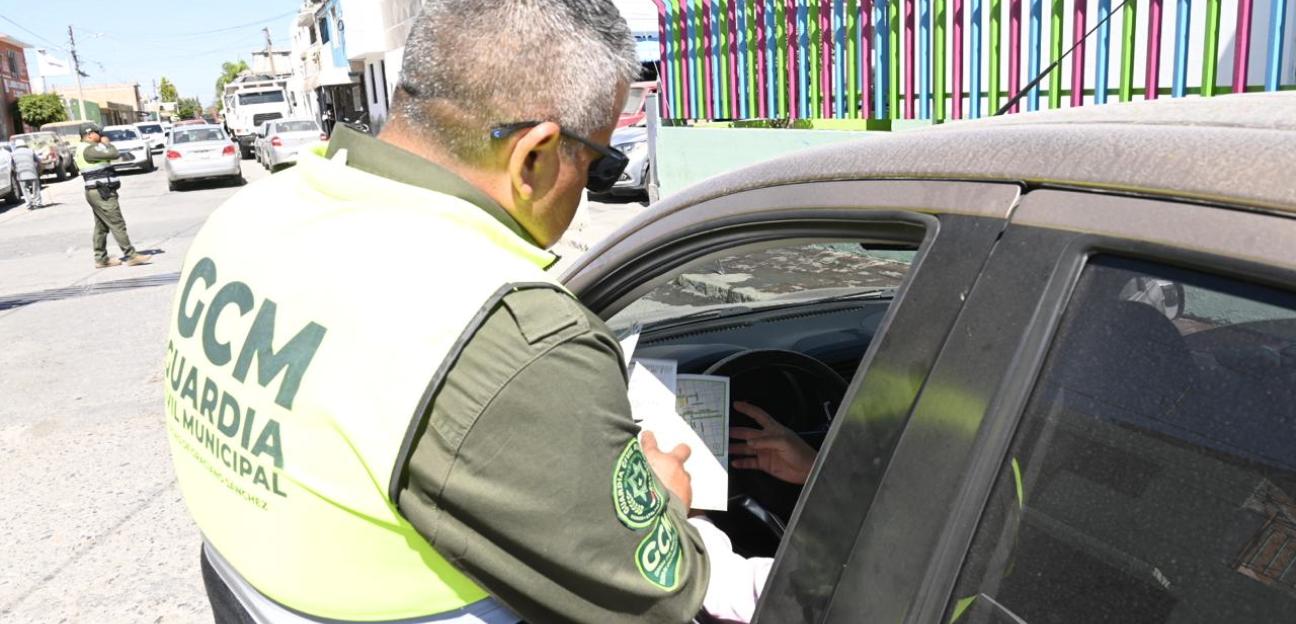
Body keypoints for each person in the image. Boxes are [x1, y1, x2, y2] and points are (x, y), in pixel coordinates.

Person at [164, 2, 737, 623]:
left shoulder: (249, 215)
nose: (591, 187)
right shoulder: (511, 336)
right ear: (536, 157)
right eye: (600, 166)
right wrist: (668, 499)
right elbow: (658, 595)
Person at [75, 125, 149, 268]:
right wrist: (107, 143)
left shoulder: (83, 147)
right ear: (89, 134)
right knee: (117, 223)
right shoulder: (90, 149)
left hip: (96, 191)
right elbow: (114, 154)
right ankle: (131, 255)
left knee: (101, 226)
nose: (101, 135)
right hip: (102, 193)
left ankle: (101, 258)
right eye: (98, 132)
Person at [11, 139, 42, 209]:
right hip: (32, 172)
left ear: (16, 146)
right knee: (36, 189)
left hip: (21, 174)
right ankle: (38, 203)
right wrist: (38, 170)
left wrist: (16, 171)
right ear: (24, 145)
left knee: (25, 189)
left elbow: (12, 166)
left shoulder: (13, 154)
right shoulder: (31, 151)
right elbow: (38, 161)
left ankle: (29, 204)